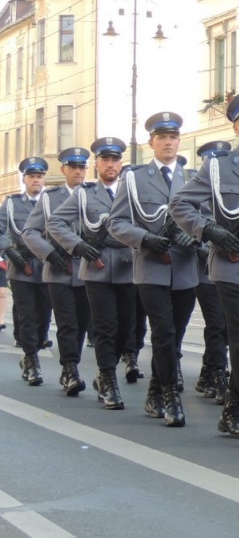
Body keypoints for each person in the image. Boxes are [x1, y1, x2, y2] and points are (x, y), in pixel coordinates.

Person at [171, 92, 239, 450]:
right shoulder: (217, 166)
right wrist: (209, 230)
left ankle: (231, 408)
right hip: (230, 266)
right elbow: (180, 203)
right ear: (236, 127)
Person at [108, 111, 199, 427]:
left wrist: (196, 235)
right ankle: (172, 395)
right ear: (151, 143)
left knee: (175, 336)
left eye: (173, 137)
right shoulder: (134, 178)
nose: (168, 143)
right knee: (163, 333)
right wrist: (145, 238)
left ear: (179, 140)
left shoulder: (192, 177)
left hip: (185, 267)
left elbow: (208, 217)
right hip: (150, 267)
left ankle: (155, 390)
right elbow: (116, 222)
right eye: (162, 138)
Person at [47, 138, 135, 409]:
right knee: (105, 327)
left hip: (129, 267)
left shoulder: (132, 190)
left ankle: (106, 371)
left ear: (121, 163)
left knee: (126, 327)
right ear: (96, 164)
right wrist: (78, 246)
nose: (111, 164)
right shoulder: (85, 194)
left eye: (115, 159)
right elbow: (55, 222)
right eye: (105, 160)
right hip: (96, 270)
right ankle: (108, 378)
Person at [22, 148, 92, 397]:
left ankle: (72, 364)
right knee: (67, 323)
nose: (78, 171)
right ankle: (70, 369)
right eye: (73, 167)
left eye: (82, 167)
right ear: (63, 170)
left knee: (83, 323)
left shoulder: (93, 194)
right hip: (59, 270)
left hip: (87, 269)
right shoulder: (49, 198)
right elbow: (29, 231)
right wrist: (49, 253)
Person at [1, 157, 54, 386]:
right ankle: (31, 359)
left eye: (40, 176)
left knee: (44, 315)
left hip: (47, 266)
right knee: (26, 314)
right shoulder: (12, 203)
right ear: (24, 179)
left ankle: (37, 345)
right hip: (21, 266)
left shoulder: (52, 202)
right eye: (32, 176)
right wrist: (9, 251)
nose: (36, 180)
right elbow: (1, 230)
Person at [189, 140, 232, 405]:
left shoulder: (227, 190)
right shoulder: (194, 193)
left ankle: (207, 371)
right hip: (203, 270)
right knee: (217, 323)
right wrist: (198, 244)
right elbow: (180, 221)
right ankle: (216, 372)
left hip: (229, 265)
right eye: (209, 160)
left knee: (225, 324)